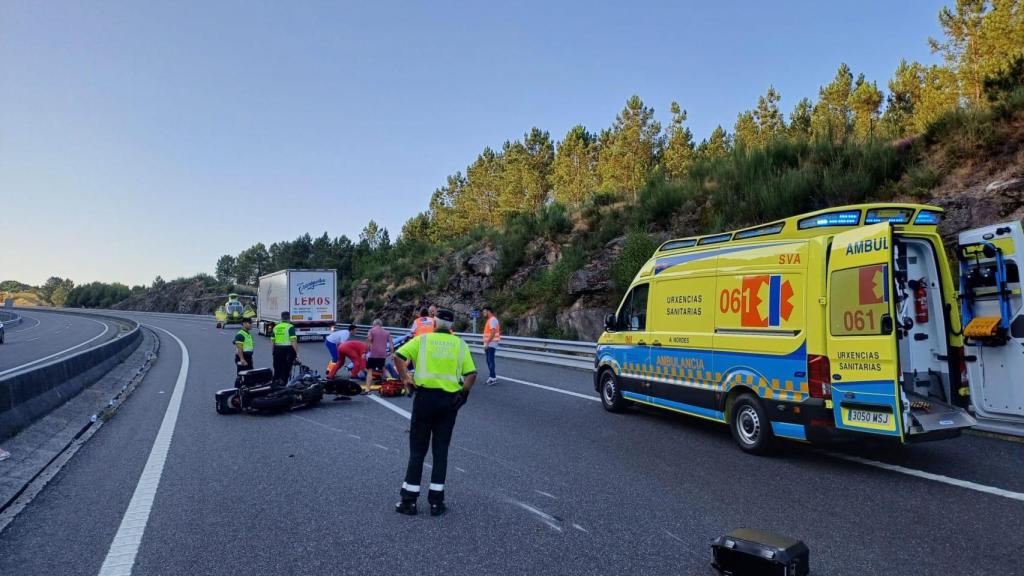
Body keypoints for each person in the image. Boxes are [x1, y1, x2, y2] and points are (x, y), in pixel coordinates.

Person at [393, 308, 476, 517]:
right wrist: (463, 395)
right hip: (448, 403)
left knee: (418, 451)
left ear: (434, 323)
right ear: (452, 327)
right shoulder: (460, 344)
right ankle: (436, 502)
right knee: (441, 451)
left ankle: (409, 501)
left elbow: (398, 356)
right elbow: (471, 374)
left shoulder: (423, 340)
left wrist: (406, 378)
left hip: (424, 400)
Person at [271, 311, 299, 383]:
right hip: (288, 350)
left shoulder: (276, 327)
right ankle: (283, 386)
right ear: (289, 318)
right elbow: (293, 341)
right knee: (286, 370)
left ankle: (274, 385)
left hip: (277, 350)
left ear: (281, 318)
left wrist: (273, 352)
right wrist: (296, 354)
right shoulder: (290, 327)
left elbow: (272, 341)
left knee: (277, 370)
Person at [366, 319, 393, 389]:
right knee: (384, 369)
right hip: (382, 355)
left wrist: (365, 351)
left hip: (373, 354)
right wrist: (392, 353)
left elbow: (368, 342)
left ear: (374, 324)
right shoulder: (387, 332)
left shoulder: (371, 331)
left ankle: (367, 389)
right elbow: (391, 344)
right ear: (381, 325)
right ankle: (393, 383)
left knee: (370, 370)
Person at [482, 305, 501, 385]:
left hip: (491, 343)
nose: (483, 313)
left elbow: (493, 333)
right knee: (488, 360)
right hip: (489, 343)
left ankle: (493, 378)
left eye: (484, 311)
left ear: (488, 311)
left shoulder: (493, 320)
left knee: (490, 360)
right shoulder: (490, 320)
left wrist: (487, 343)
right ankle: (492, 376)